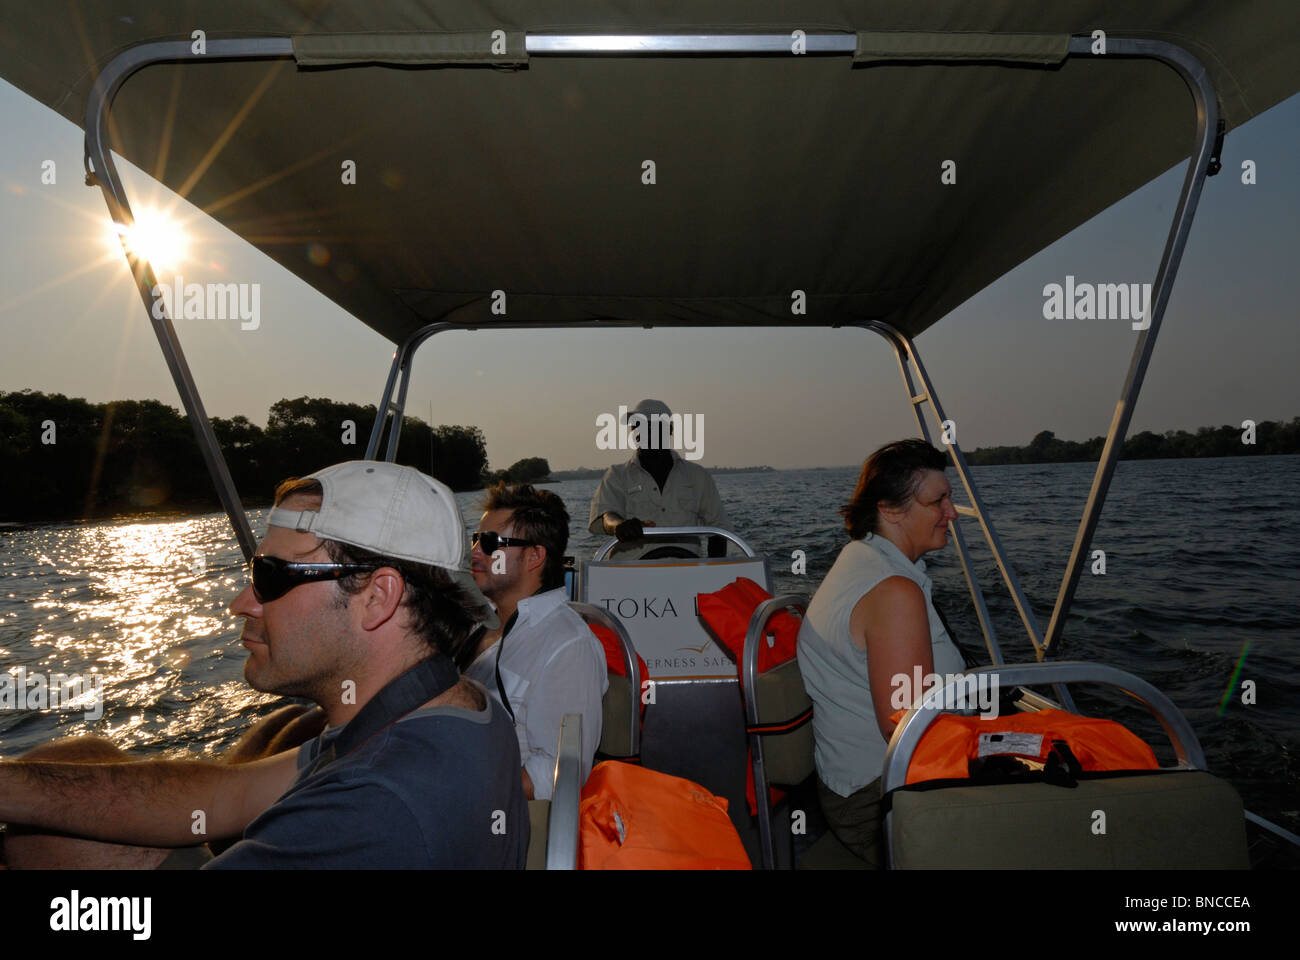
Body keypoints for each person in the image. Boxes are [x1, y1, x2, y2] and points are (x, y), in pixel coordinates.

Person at [0, 461, 528, 869]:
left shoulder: (377, 801)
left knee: (42, 844)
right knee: (83, 754)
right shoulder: (442, 703)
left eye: (271, 576)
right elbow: (228, 792)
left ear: (377, 596)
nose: (242, 602)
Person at [796, 439, 965, 868]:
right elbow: (906, 729)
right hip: (878, 799)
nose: (952, 513)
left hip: (858, 785)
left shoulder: (861, 559)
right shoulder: (893, 592)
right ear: (891, 509)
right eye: (938, 501)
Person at [464, 482, 606, 799]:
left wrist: (459, 792)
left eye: (489, 542)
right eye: (475, 539)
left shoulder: (569, 646)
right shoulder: (475, 626)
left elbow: (558, 774)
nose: (475, 551)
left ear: (534, 556)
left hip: (493, 819)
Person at [588, 398, 729, 555]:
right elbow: (608, 517)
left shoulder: (698, 476)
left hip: (688, 572)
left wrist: (713, 573)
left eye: (649, 426)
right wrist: (620, 526)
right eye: (635, 425)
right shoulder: (616, 475)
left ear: (668, 430)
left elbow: (718, 530)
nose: (639, 432)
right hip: (630, 574)